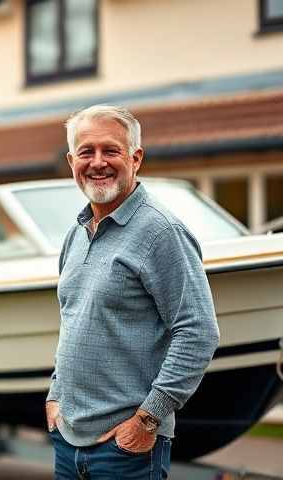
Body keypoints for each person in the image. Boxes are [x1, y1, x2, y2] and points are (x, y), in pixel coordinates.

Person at [45, 105, 220, 479]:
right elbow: (71, 320)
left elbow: (198, 332)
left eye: (110, 150)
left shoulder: (161, 232)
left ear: (135, 158)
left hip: (126, 451)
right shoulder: (75, 234)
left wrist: (148, 418)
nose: (98, 162)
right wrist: (55, 394)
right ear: (71, 160)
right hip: (68, 441)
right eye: (86, 152)